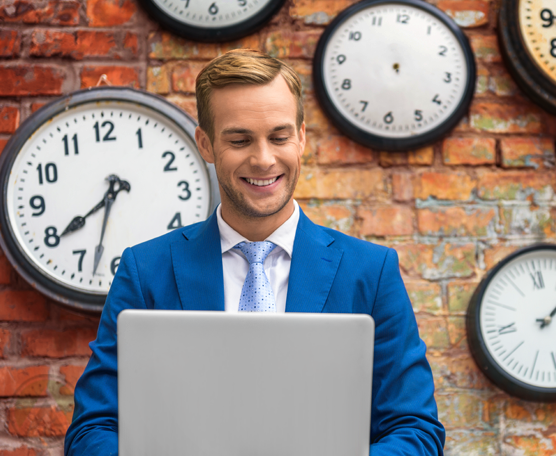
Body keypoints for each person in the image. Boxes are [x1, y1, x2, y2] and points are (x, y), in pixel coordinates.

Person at [64, 49, 445, 455]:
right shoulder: (145, 270)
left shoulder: (371, 272)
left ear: (301, 138)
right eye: (240, 139)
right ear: (206, 144)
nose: (263, 160)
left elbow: (416, 430)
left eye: (279, 137)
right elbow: (93, 429)